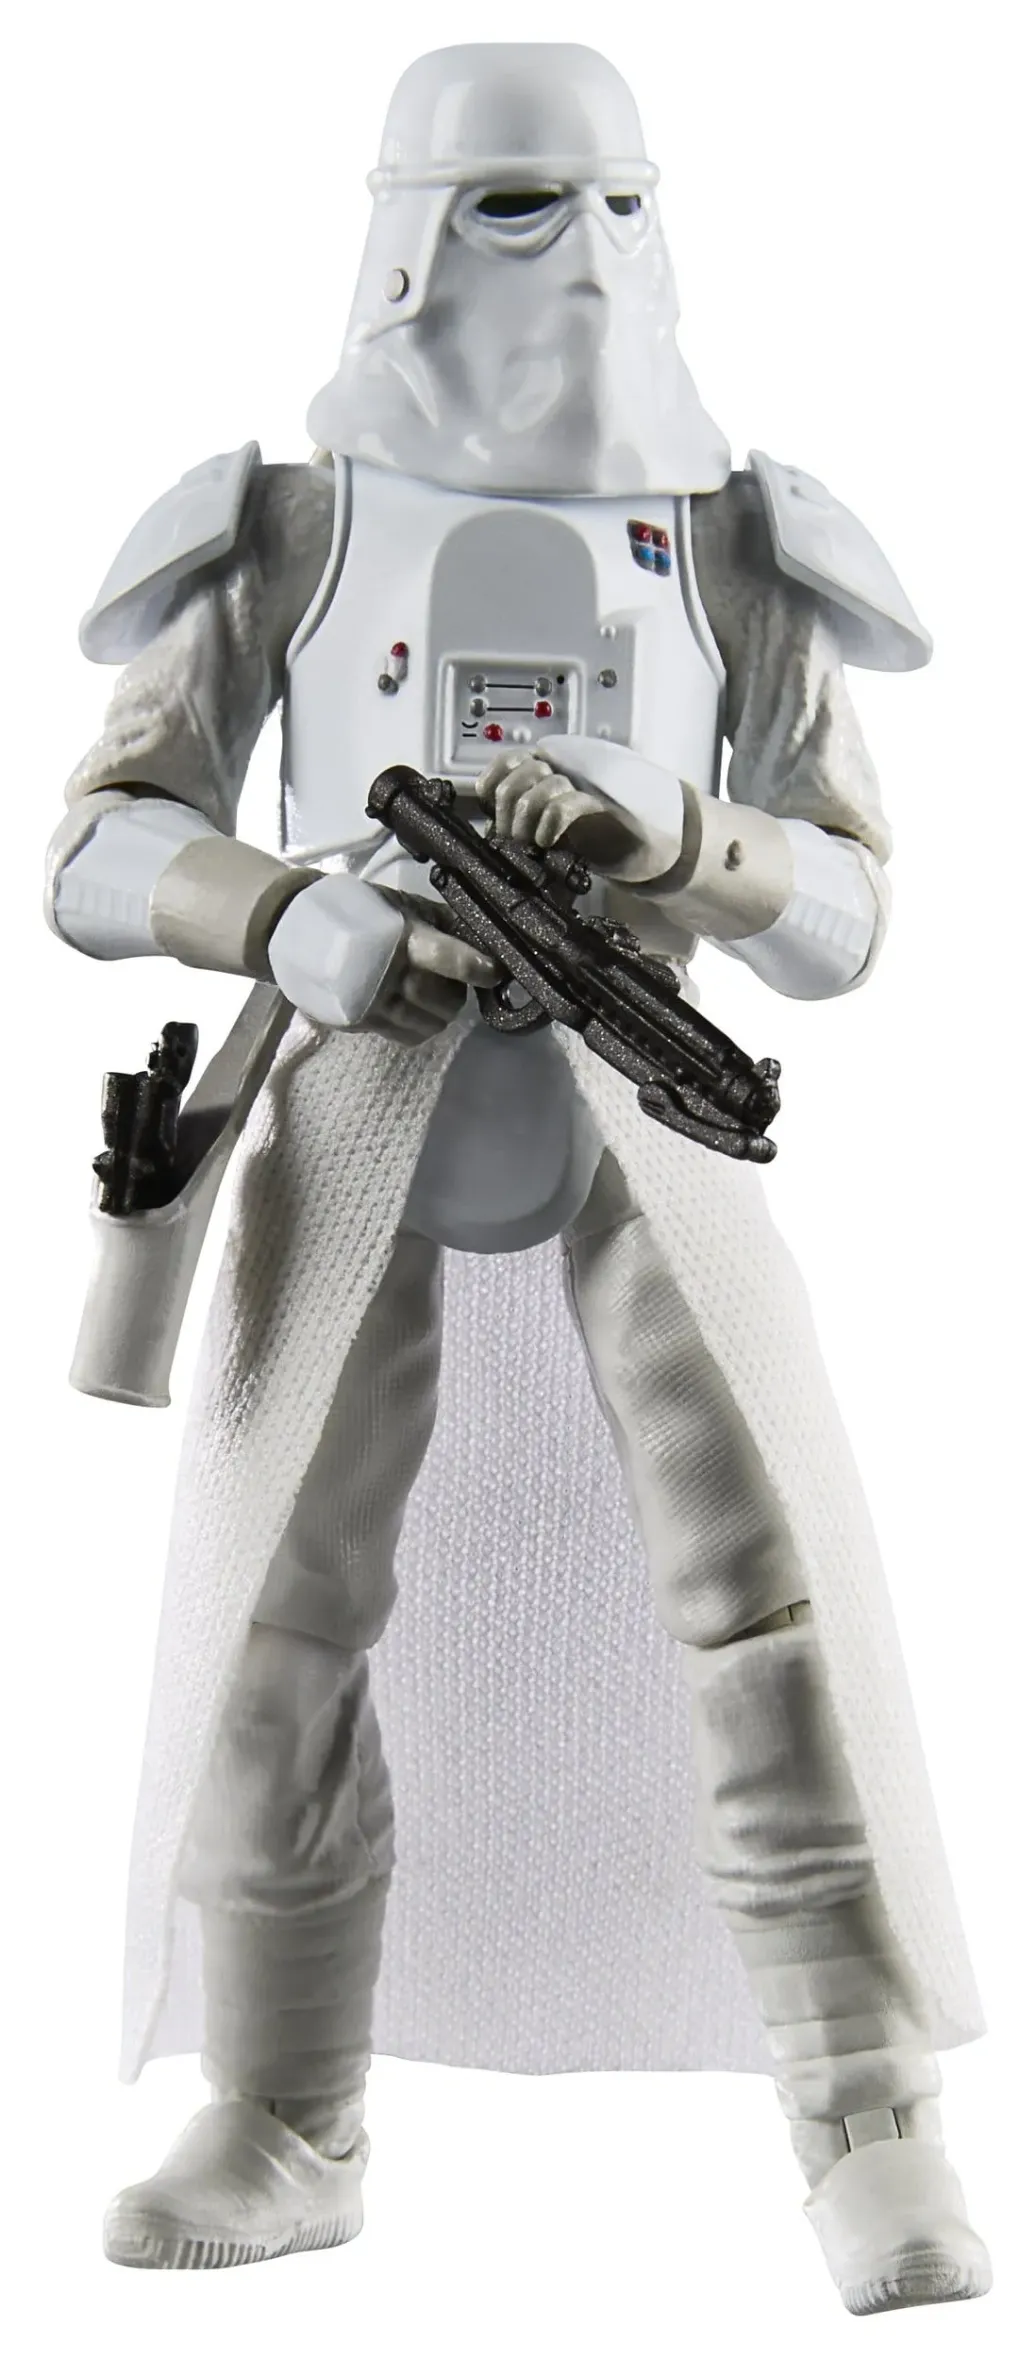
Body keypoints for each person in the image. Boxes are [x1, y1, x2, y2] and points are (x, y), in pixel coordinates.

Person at [46, 42, 990, 2313]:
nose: (557, 262)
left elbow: (849, 915)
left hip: (640, 1093)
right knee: (284, 1609)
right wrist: (284, 915)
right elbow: (97, 846)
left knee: (766, 1602)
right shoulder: (279, 534)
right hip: (353, 1086)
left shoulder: (740, 547)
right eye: (501, 207)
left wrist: (692, 840)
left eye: (599, 208)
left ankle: (862, 2109)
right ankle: (287, 2100)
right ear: (400, 229)